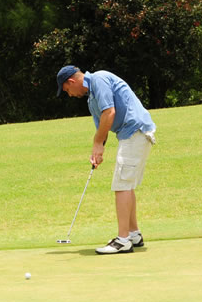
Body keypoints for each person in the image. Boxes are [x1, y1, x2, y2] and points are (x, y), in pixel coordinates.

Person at [57, 65, 156, 255]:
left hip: (136, 130)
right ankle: (133, 234)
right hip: (131, 134)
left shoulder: (99, 80)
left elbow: (109, 112)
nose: (70, 95)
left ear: (71, 81)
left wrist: (97, 143)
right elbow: (104, 124)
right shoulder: (91, 99)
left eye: (67, 90)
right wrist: (98, 151)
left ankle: (123, 240)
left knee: (121, 185)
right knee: (126, 184)